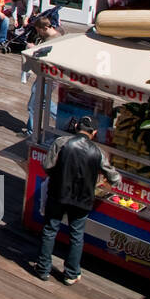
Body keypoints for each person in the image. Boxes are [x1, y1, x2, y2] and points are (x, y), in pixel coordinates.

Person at [34, 116, 120, 285]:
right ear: (93, 133)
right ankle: (71, 274)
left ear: (76, 127)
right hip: (83, 199)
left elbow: (47, 166)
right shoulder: (98, 153)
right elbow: (115, 178)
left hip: (58, 194)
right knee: (76, 236)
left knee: (50, 230)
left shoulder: (61, 142)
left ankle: (43, 269)